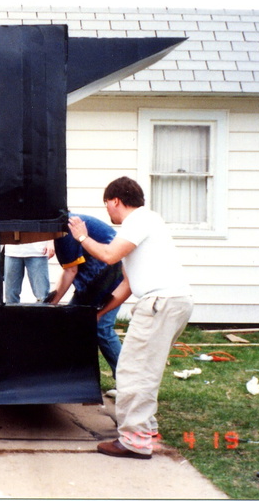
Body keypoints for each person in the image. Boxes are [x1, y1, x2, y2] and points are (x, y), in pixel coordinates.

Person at [67, 176, 192, 460]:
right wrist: (100, 314)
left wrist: (82, 237)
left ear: (115, 201)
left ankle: (135, 442)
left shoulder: (137, 221)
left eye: (107, 205)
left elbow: (109, 256)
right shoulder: (148, 223)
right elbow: (126, 284)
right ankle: (146, 431)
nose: (107, 211)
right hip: (172, 302)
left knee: (133, 372)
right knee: (143, 370)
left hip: (160, 303)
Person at [47, 213, 123, 379]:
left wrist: (51, 304)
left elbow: (70, 272)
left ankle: (128, 383)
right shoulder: (63, 224)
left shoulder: (65, 229)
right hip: (96, 277)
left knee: (102, 326)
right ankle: (72, 377)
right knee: (73, 323)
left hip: (109, 276)